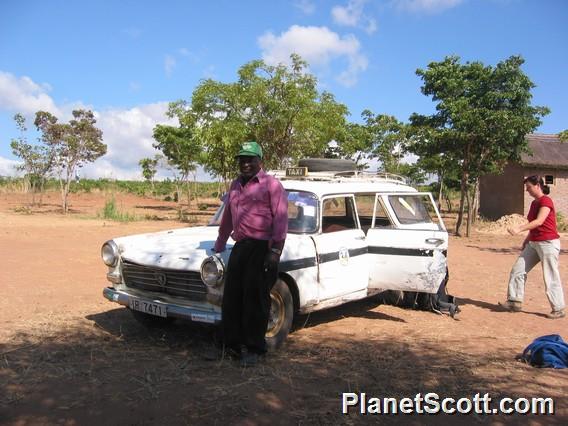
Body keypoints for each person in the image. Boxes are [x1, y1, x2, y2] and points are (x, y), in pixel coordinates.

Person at [213, 141, 288, 366]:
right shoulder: (235, 185)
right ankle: (232, 346)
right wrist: (219, 243)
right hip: (241, 247)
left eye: (250, 159)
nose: (245, 163)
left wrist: (275, 251)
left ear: (259, 161)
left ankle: (255, 348)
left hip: (262, 247)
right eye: (242, 159)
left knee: (255, 300)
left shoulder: (272, 185)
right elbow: (227, 218)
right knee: (232, 298)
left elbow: (281, 219)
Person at [501, 175, 566, 319]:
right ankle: (514, 301)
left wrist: (519, 229)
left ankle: (558, 308)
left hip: (548, 243)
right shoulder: (534, 203)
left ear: (538, 185)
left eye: (529, 187)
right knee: (518, 269)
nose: (527, 190)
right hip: (534, 242)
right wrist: (527, 239)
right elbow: (534, 226)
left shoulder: (546, 201)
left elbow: (539, 221)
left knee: (550, 275)